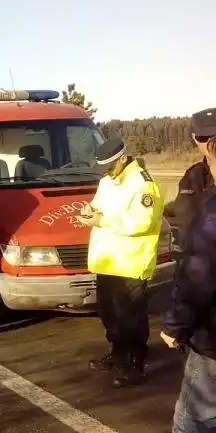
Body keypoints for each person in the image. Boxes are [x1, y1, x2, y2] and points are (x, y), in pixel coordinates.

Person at [76, 137, 163, 387]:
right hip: (108, 260)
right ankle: (118, 354)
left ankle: (136, 364)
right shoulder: (107, 181)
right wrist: (88, 211)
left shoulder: (143, 185)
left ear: (123, 159)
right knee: (109, 313)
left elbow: (142, 222)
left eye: (110, 164)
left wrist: (101, 221)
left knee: (131, 317)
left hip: (130, 262)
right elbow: (98, 207)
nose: (105, 169)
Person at [160, 127, 216, 432]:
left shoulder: (212, 217)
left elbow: (199, 279)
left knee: (193, 422)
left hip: (212, 342)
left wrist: (174, 326)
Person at [171, 108, 216, 255]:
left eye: (214, 136)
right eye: (204, 137)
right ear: (195, 138)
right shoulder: (192, 175)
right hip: (193, 263)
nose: (210, 143)